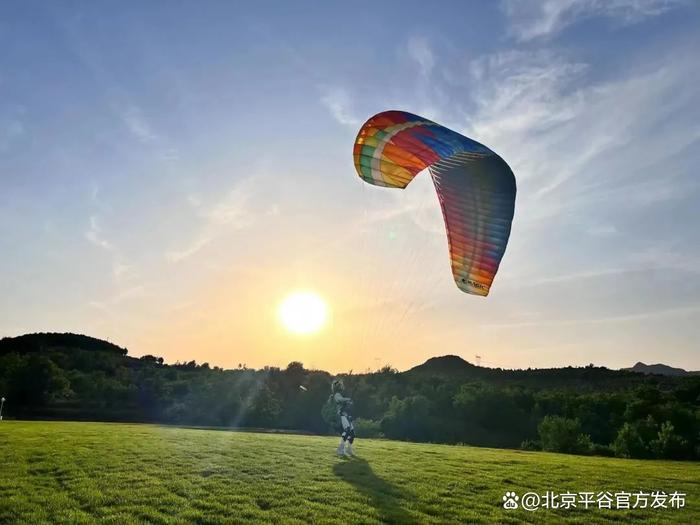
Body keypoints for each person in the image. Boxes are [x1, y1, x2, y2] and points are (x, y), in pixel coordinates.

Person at [331, 378, 355, 457]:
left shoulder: (340, 394)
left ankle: (349, 449)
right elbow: (340, 400)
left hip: (346, 414)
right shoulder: (337, 395)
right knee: (347, 430)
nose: (342, 386)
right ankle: (340, 449)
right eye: (341, 385)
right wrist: (348, 399)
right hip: (341, 415)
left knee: (352, 433)